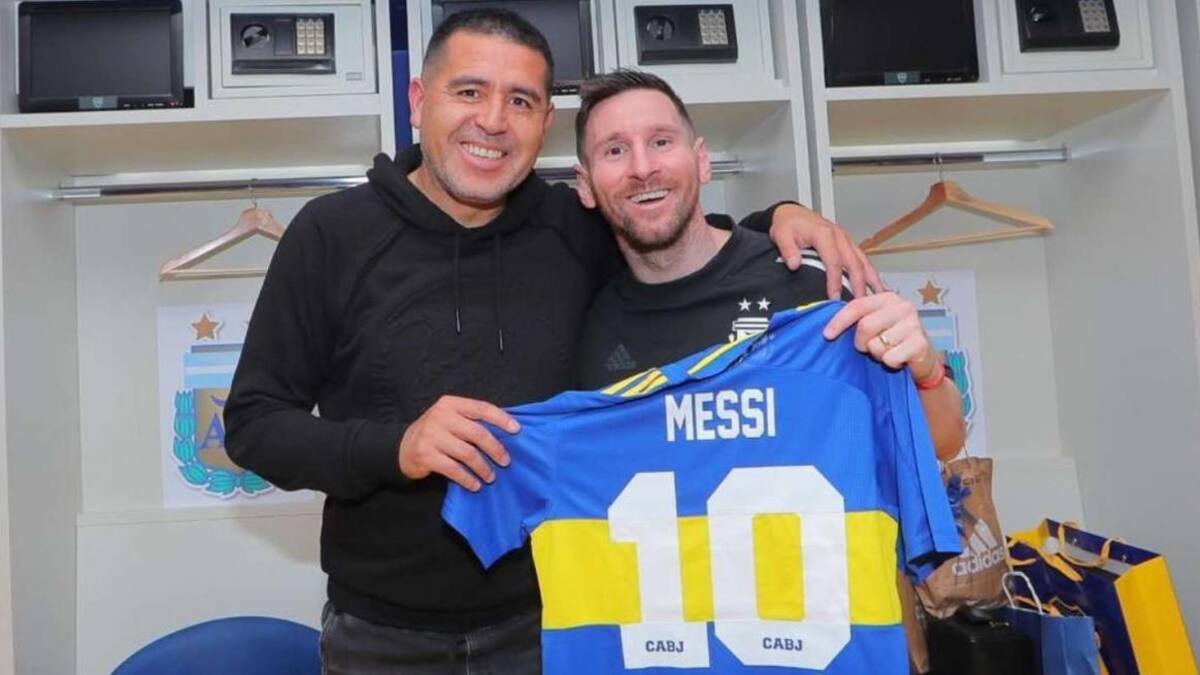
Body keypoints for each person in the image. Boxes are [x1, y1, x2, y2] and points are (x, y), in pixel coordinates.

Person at [225, 10, 883, 674]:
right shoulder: (331, 235)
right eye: (469, 91)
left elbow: (672, 231)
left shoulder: (575, 227)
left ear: (544, 125)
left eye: (521, 101)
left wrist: (780, 217)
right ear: (419, 102)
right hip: (381, 636)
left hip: (559, 619)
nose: (493, 120)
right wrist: (398, 446)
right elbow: (253, 424)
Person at [574, 69, 965, 457]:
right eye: (615, 150)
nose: (642, 168)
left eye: (661, 141)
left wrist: (928, 373)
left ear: (702, 161)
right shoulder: (592, 328)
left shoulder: (812, 279)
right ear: (586, 186)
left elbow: (943, 443)